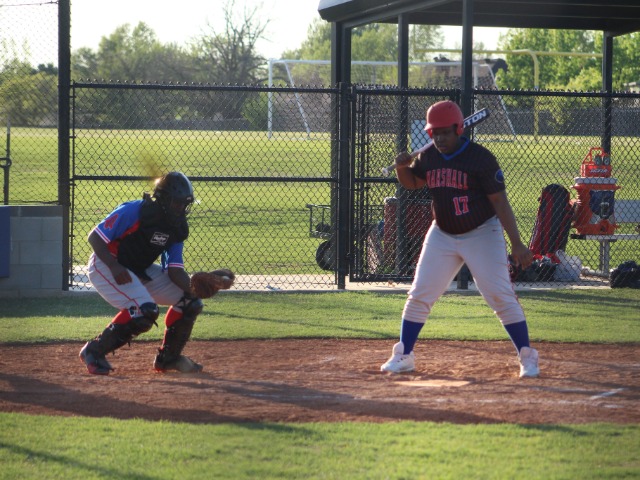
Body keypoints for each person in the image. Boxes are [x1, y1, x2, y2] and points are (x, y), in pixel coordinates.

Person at [380, 100, 540, 378]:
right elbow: (414, 183)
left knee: (500, 296)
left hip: (482, 232)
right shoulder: (429, 156)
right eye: (435, 133)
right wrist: (403, 167)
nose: (440, 138)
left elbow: (500, 201)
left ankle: (527, 356)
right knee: (420, 294)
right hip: (442, 233)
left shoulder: (480, 159)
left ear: (458, 130)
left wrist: (517, 243)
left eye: (445, 132)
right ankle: (404, 355)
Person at [79, 171, 206, 375]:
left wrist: (197, 289)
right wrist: (114, 266)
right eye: (177, 203)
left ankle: (168, 358)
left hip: (138, 269)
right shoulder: (135, 211)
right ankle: (93, 351)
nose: (181, 208)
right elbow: (95, 237)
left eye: (185, 204)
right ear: (164, 199)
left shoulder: (177, 227)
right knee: (145, 311)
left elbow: (175, 271)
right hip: (106, 264)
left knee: (191, 301)